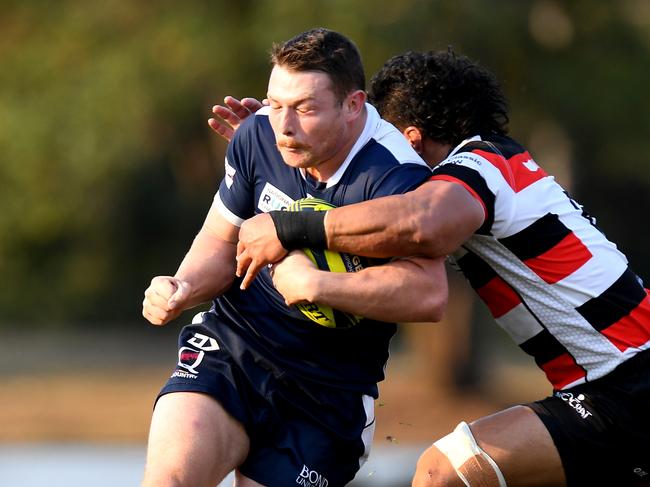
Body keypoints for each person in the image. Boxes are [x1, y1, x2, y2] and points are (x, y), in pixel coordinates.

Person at [227, 50, 650, 486]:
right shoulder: (500, 163)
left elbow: (417, 224)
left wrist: (291, 227)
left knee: (441, 472)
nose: (369, 153)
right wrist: (282, 147)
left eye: (378, 137)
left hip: (628, 383)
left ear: (409, 139)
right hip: (612, 386)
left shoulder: (476, 167)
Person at [141, 29, 448, 487]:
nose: (283, 125)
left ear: (353, 105)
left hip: (327, 394)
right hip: (235, 348)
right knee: (171, 478)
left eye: (304, 109)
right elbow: (219, 242)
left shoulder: (394, 177)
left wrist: (318, 285)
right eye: (275, 103)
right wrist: (182, 287)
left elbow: (429, 294)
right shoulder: (259, 134)